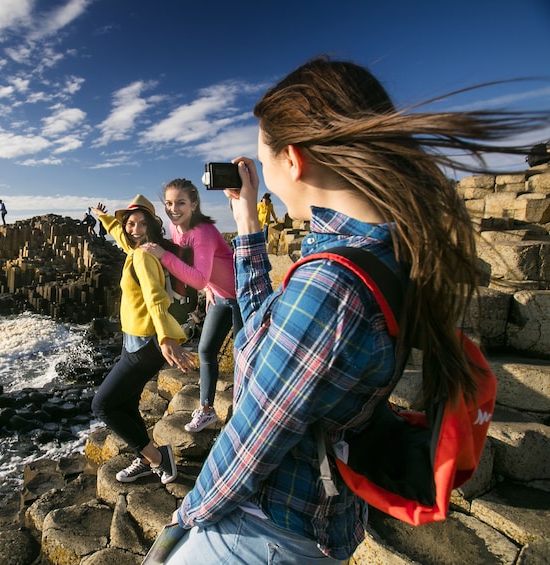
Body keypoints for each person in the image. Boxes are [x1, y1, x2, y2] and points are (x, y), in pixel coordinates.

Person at [164, 57, 547, 563]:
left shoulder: (332, 285)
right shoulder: (384, 250)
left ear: (295, 160)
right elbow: (264, 337)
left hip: (260, 534)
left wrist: (185, 516)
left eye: (266, 160)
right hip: (319, 524)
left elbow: (252, 437)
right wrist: (249, 226)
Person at [91, 195, 197, 485]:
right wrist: (104, 217)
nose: (133, 229)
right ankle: (146, 456)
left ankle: (159, 459)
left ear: (151, 226)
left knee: (102, 406)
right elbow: (121, 236)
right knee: (126, 405)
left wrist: (165, 337)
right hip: (135, 343)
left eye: (140, 224)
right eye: (130, 224)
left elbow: (155, 297)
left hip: (144, 346)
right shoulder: (141, 248)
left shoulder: (143, 255)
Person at [142, 178, 242, 433]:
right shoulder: (177, 229)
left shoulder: (203, 232)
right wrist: (209, 288)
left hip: (242, 297)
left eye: (180, 203)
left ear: (194, 204)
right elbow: (201, 272)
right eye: (168, 203)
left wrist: (163, 257)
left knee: (245, 357)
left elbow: (197, 277)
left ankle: (247, 410)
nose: (173, 209)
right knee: (207, 351)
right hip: (219, 297)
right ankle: (207, 410)